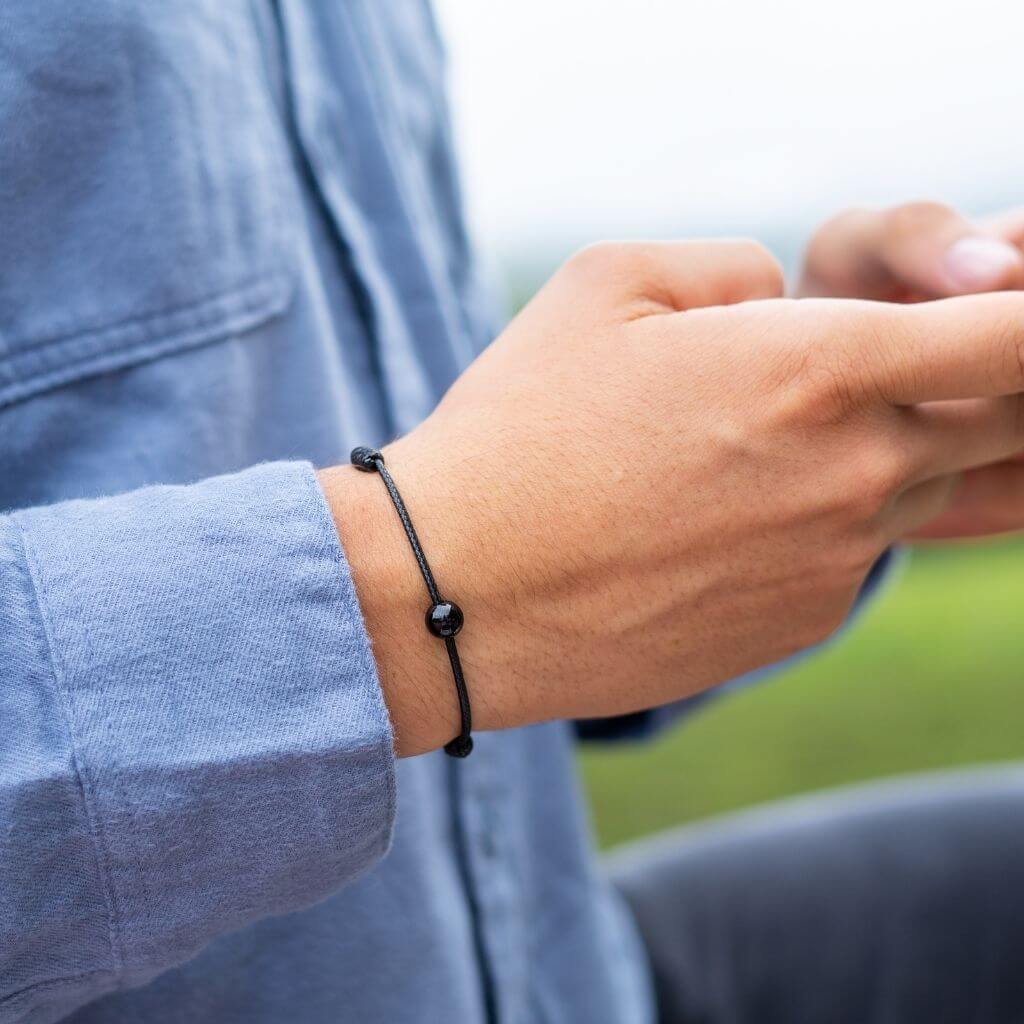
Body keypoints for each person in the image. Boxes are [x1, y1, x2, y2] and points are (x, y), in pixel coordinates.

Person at [3, 4, 1024, 1023]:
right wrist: (423, 586)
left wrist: (837, 437)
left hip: (556, 969)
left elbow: (475, 498)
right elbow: (456, 555)